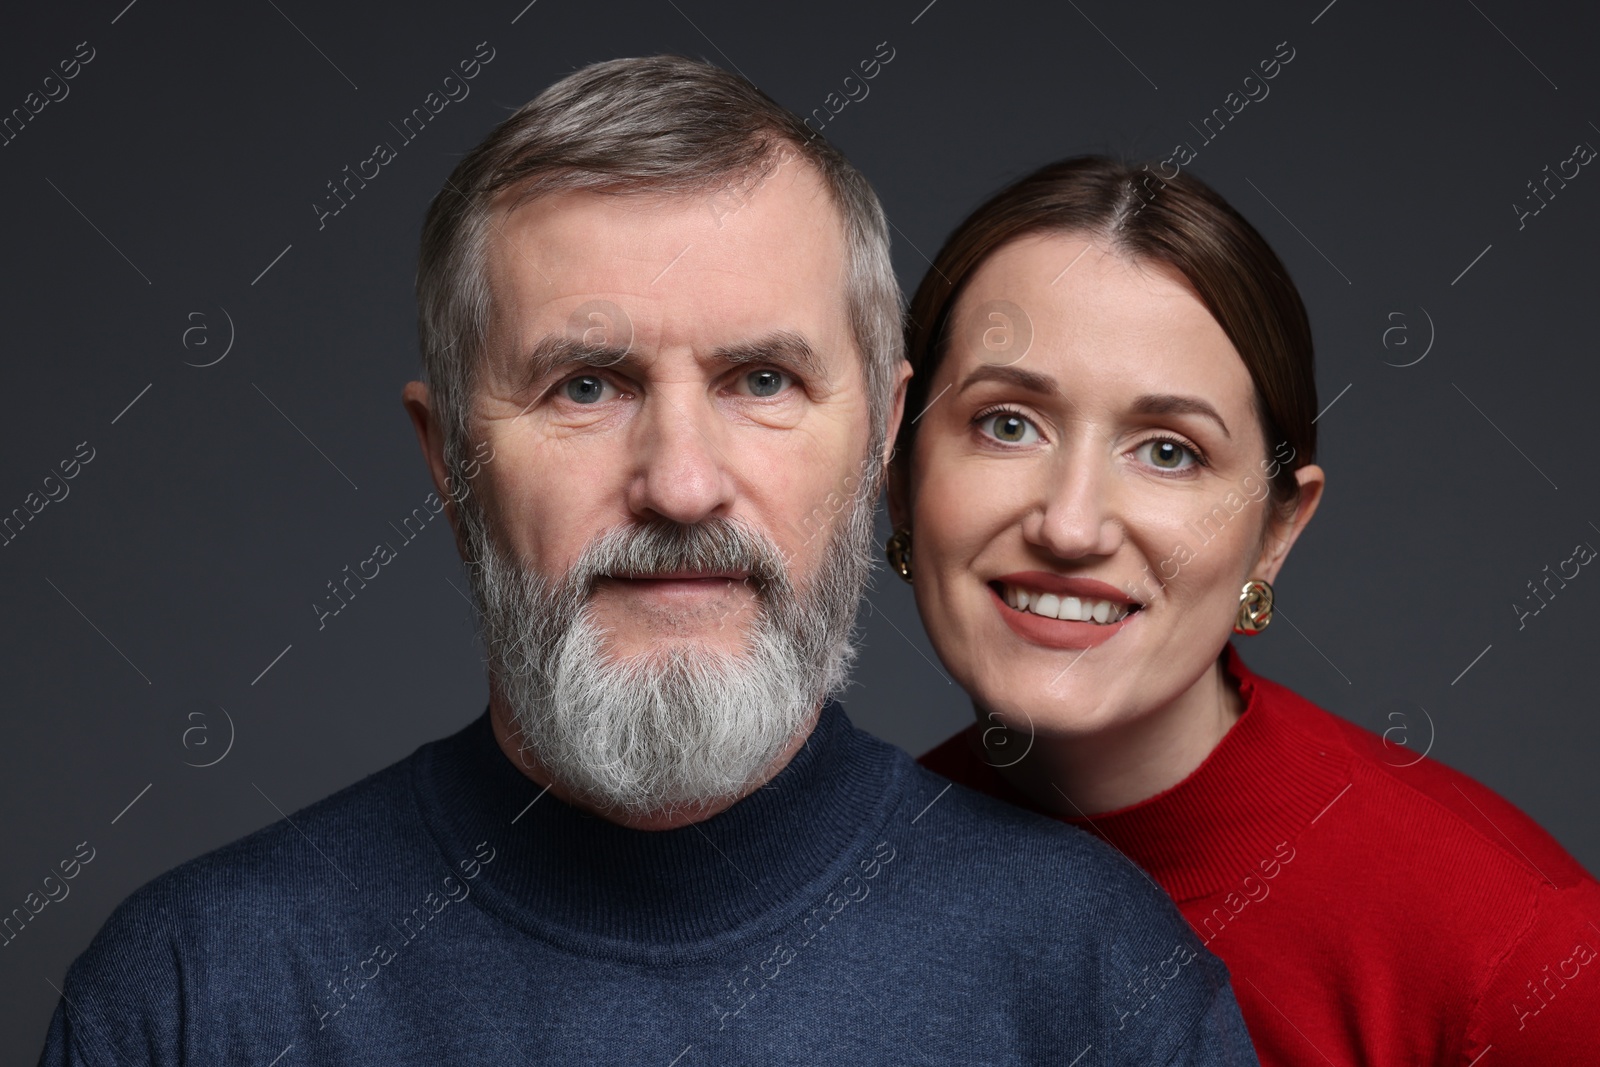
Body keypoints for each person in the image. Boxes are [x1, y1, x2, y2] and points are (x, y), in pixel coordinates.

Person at [37, 65, 1258, 1065]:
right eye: (586, 384)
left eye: (761, 381)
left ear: (882, 433)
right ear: (449, 455)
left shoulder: (1099, 985)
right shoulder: (196, 994)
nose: (679, 482)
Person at [894, 154, 1600, 1065]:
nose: (1069, 524)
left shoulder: (1517, 949)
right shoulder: (845, 876)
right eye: (1008, 424)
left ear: (1275, 531)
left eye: (1168, 450)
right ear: (899, 478)